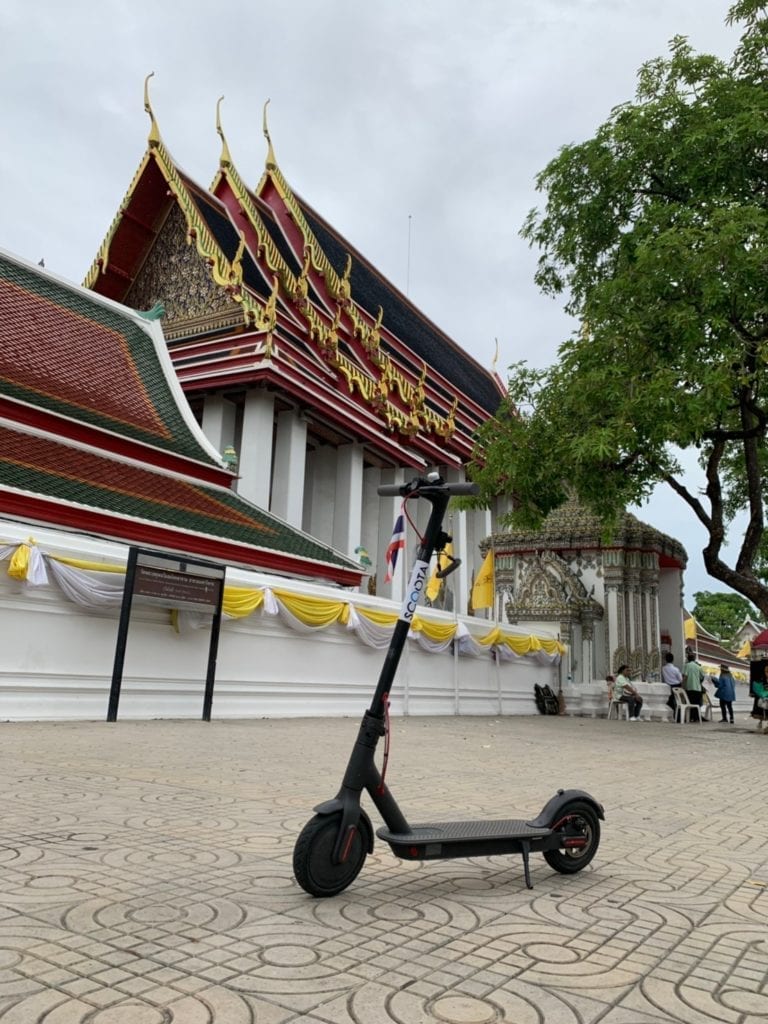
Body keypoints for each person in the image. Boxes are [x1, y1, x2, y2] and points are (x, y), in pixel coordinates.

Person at [682, 652, 705, 720]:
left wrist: (682, 685)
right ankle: (696, 717)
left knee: (690, 703)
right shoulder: (698, 667)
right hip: (698, 689)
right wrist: (699, 683)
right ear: (694, 659)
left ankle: (690, 717)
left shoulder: (686, 665)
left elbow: (685, 676)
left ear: (687, 659)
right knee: (697, 704)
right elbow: (702, 677)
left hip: (689, 688)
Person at [661, 652, 683, 716]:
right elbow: (681, 679)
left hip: (668, 687)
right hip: (677, 687)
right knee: (678, 701)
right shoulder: (676, 669)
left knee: (670, 701)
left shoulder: (663, 668)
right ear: (673, 660)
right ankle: (678, 715)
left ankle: (672, 714)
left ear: (665, 659)